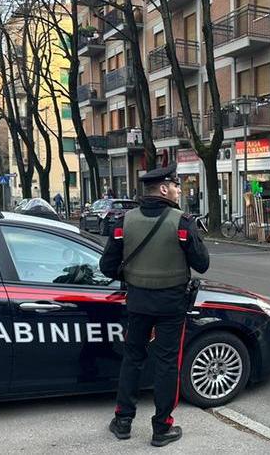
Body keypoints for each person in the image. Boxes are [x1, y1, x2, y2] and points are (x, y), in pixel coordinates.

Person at [99, 164, 210, 447]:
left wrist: (134, 276)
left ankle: (123, 421)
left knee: (132, 358)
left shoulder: (125, 221)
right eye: (175, 186)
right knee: (167, 363)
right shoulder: (182, 221)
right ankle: (162, 428)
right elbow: (202, 264)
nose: (178, 190)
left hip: (137, 303)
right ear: (163, 189)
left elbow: (107, 266)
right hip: (171, 306)